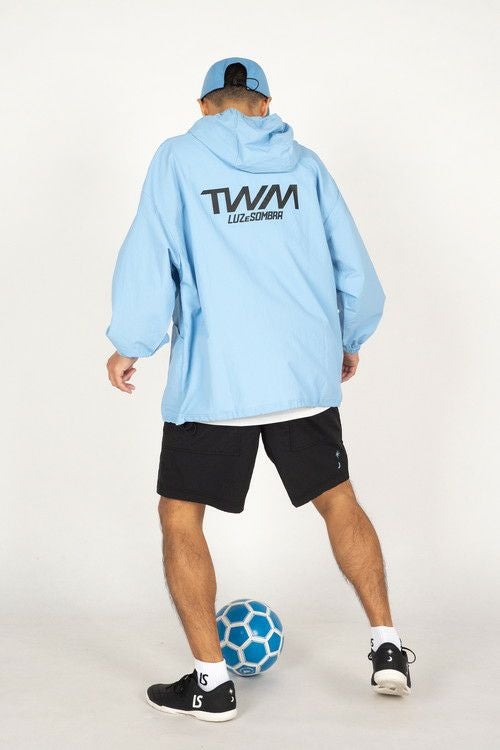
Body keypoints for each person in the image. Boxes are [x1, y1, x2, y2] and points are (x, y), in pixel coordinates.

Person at [106, 56, 415, 723]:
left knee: (181, 516)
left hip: (219, 381)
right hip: (302, 375)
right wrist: (347, 339)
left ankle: (212, 683)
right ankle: (388, 646)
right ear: (266, 105)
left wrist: (132, 342)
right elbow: (357, 270)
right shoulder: (304, 164)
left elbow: (149, 257)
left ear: (204, 106)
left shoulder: (178, 159)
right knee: (338, 500)